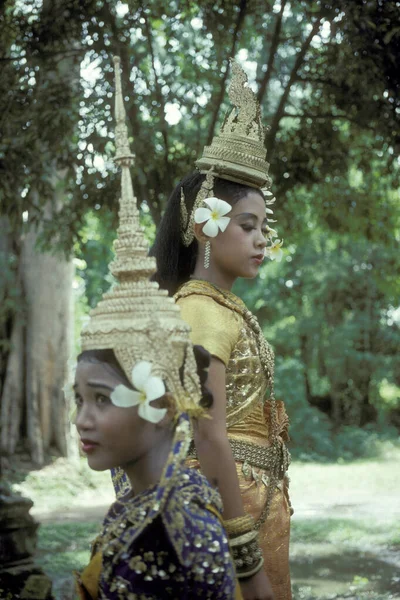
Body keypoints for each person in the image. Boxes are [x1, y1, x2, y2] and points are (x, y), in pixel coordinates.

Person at [73, 56, 240, 600]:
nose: (82, 419)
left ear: (166, 399)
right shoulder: (144, 504)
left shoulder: (175, 532)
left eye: (100, 398)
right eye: (79, 398)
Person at [151, 60, 292, 600]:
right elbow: (206, 432)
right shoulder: (201, 311)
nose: (261, 241)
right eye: (247, 226)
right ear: (204, 227)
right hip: (223, 506)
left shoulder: (222, 307)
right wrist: (241, 547)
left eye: (264, 229)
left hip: (252, 499)